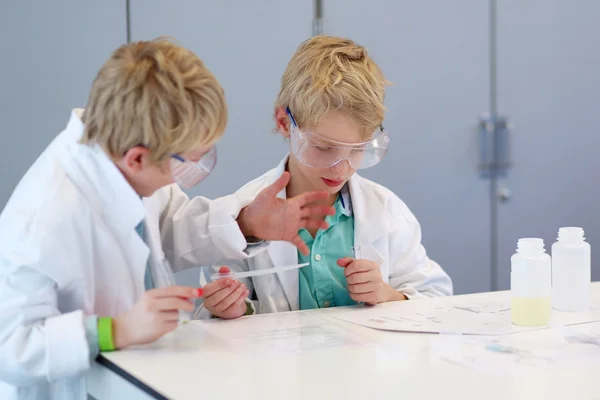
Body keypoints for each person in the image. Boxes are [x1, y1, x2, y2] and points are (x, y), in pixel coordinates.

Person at [0, 38, 334, 400]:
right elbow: (10, 346)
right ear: (137, 159)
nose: (188, 174)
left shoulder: (121, 152)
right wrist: (117, 330)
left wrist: (246, 223)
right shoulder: (44, 219)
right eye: (190, 163)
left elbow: (167, 227)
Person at [203, 35, 452, 317]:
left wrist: (389, 294)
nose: (341, 168)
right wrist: (227, 309)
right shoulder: (241, 215)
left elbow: (437, 297)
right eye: (324, 148)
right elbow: (212, 317)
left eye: (357, 151)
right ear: (285, 123)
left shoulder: (386, 210)